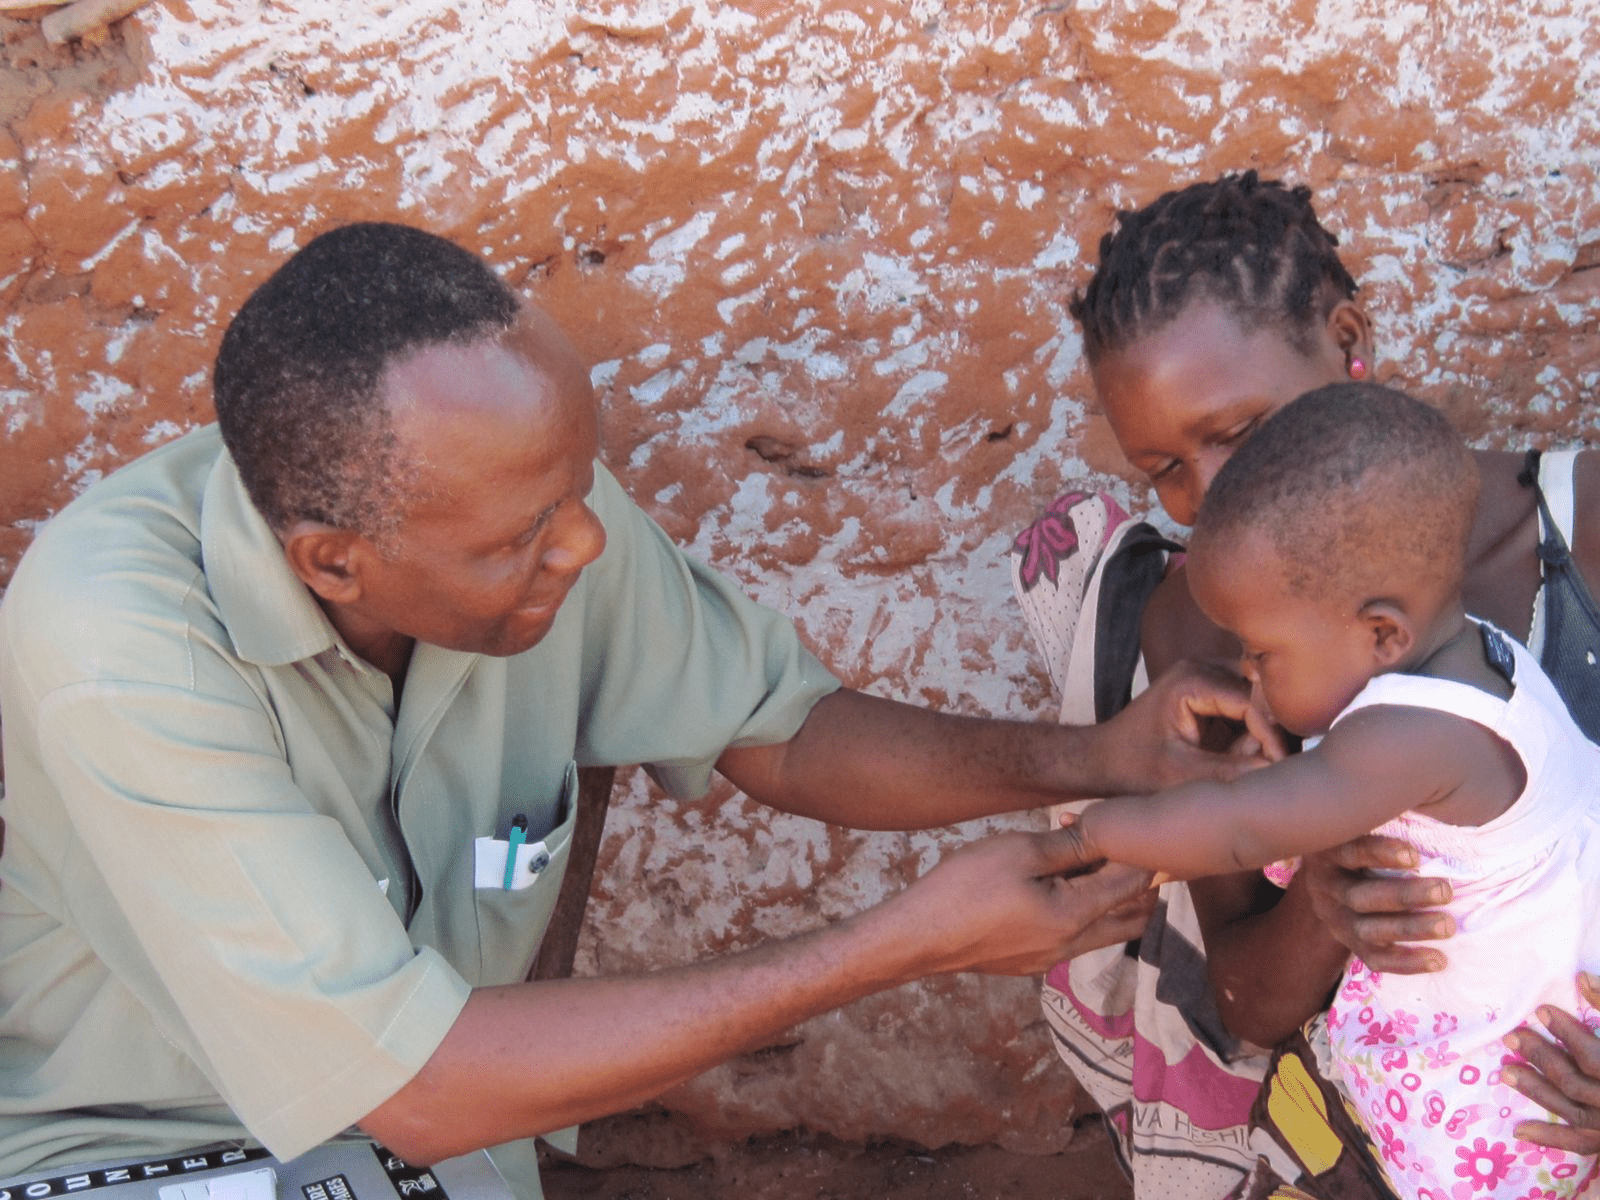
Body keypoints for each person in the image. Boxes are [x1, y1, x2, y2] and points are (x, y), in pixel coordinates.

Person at [0, 222, 1269, 1198]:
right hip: (153, 1147)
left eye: (578, 486)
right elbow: (416, 1087)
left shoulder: (520, 506)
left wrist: (1099, 753)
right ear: (335, 562)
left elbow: (778, 728)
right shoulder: (118, 650)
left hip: (451, 1145)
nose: (587, 545)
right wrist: (903, 946)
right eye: (525, 535)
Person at [1009, 171, 1600, 1199]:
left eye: (1236, 431)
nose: (1212, 493)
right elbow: (1243, 1004)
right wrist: (1318, 914)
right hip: (1392, 1145)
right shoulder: (1202, 628)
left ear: (1346, 336)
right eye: (1165, 470)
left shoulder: (1579, 529)